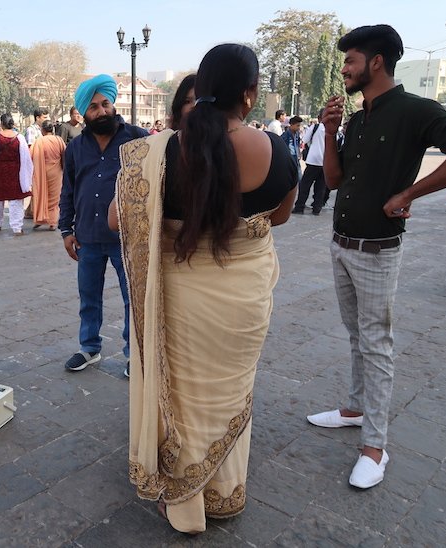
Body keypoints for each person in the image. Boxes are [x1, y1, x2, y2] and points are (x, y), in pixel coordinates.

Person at [112, 44, 297, 534]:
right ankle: (222, 492)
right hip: (243, 298)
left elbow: (116, 218)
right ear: (250, 94)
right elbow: (278, 215)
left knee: (185, 397)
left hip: (181, 297)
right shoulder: (276, 150)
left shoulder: (157, 152)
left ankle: (182, 496)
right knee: (228, 393)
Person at [308, 24, 446, 490]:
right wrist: (330, 132)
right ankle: (354, 409)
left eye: (350, 61)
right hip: (342, 243)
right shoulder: (357, 117)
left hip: (377, 249)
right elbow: (332, 181)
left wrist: (410, 192)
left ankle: (376, 446)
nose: (344, 69)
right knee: (357, 335)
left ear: (375, 62)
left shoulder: (418, 110)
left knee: (377, 344)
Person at [58, 73, 147, 375]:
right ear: (84, 113)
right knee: (89, 296)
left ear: (113, 103)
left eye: (105, 103)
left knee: (131, 299)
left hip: (128, 237)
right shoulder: (75, 148)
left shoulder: (137, 139)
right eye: (93, 107)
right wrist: (66, 230)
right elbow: (68, 189)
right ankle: (89, 348)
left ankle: (132, 354)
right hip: (87, 236)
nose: (101, 110)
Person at [0, 113, 33, 234]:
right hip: (15, 171)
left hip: (0, 170)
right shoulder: (19, 138)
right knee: (16, 199)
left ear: (1, 123)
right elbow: (25, 157)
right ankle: (17, 227)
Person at [31, 120, 66, 230]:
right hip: (56, 172)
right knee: (54, 198)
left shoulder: (39, 141)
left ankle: (41, 218)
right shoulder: (59, 140)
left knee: (41, 195)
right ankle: (52, 222)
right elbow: (64, 155)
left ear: (43, 130)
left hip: (41, 172)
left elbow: (31, 156)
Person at [292, 109, 326, 215]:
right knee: (320, 187)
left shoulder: (315, 127)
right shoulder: (333, 129)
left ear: (319, 117)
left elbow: (305, 140)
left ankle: (299, 206)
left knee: (305, 185)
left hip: (313, 160)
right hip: (325, 161)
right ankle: (317, 208)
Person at [281, 115, 303, 180]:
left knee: (299, 177)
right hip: (289, 158)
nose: (299, 128)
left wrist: (299, 153)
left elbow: (298, 144)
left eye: (299, 125)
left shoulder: (297, 134)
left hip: (296, 158)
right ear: (291, 125)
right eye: (297, 125)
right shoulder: (285, 135)